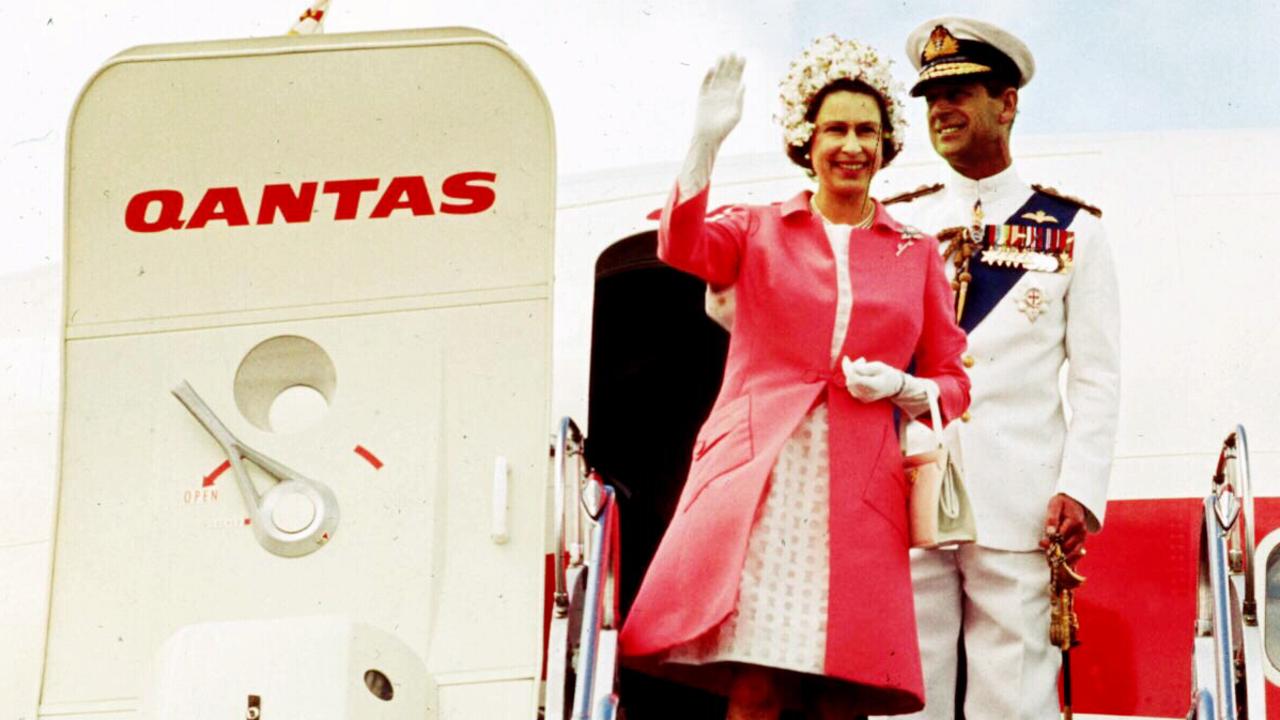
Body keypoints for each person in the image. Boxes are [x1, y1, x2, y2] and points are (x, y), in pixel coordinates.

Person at [618, 36, 971, 719]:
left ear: (887, 143)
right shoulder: (758, 229)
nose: (851, 145)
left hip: (859, 494)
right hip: (766, 487)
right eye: (835, 128)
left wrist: (903, 389)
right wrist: (704, 147)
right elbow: (681, 246)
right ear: (807, 141)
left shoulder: (915, 252)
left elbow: (953, 380)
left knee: (843, 696)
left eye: (867, 130)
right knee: (760, 687)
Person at [869, 17, 1120, 720]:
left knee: (1013, 700)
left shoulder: (1074, 231)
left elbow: (1097, 378)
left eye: (961, 92)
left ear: (1007, 102)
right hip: (908, 492)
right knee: (902, 697)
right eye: (930, 98)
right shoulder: (894, 222)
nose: (941, 110)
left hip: (1018, 501)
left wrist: (1079, 487)